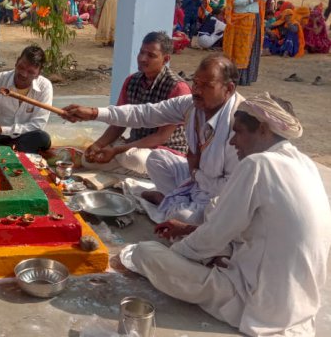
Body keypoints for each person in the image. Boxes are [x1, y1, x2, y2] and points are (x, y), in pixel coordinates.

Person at [123, 93, 330, 336]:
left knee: (146, 252)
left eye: (239, 132)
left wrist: (179, 254)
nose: (233, 142)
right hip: (298, 305)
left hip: (259, 305)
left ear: (263, 130)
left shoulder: (258, 164)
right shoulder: (304, 164)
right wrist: (190, 230)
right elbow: (238, 219)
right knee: (196, 233)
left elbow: (211, 237)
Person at [62, 54, 243, 224]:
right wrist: (93, 113)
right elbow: (144, 113)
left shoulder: (240, 125)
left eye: (206, 86)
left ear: (229, 89)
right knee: (157, 159)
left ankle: (171, 203)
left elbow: (232, 190)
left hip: (218, 194)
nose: (197, 91)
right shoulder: (190, 104)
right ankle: (174, 201)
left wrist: (196, 172)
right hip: (195, 177)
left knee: (184, 217)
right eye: (195, 83)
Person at [82, 32, 190, 176]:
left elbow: (161, 137)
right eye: (141, 52)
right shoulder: (132, 81)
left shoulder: (177, 87)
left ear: (165, 59)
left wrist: (117, 150)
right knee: (87, 160)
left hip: (165, 151)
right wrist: (98, 145)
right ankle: (147, 175)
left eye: (151, 56)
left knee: (134, 158)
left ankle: (154, 172)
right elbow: (118, 122)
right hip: (135, 146)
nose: (143, 59)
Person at [222, 0, 268, 86]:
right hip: (240, 21)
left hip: (254, 20)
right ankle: (236, 77)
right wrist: (251, 0)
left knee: (250, 49)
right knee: (239, 50)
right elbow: (235, 2)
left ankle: (247, 78)